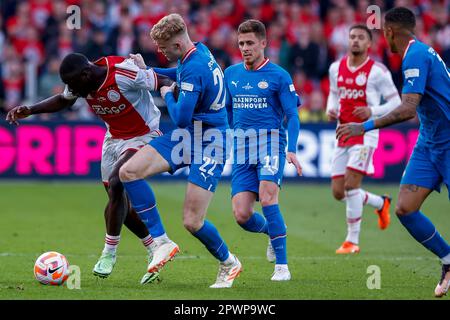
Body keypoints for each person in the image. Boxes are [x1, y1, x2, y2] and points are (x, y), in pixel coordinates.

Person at [6, 52, 174, 284]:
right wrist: (30, 110)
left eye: (74, 85)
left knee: (117, 182)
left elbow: (162, 81)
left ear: (86, 74)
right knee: (118, 203)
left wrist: (181, 103)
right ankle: (154, 247)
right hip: (113, 139)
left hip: (143, 135)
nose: (73, 90)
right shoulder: (81, 81)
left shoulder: (123, 72)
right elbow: (64, 100)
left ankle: (109, 253)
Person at [120, 13, 242, 288]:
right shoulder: (198, 51)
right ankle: (161, 242)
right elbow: (178, 74)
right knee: (128, 172)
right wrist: (148, 72)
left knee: (192, 221)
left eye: (163, 49)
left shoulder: (195, 66)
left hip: (212, 142)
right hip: (190, 136)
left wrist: (166, 95)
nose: (161, 53)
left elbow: (180, 117)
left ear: (176, 45)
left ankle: (229, 263)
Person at [337, 7, 450, 297]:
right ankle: (448, 260)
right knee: (404, 208)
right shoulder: (418, 53)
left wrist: (366, 125)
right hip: (429, 142)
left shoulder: (415, 55)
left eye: (381, 32)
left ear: (388, 32)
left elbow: (408, 107)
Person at [224, 19, 302, 281]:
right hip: (242, 148)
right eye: (241, 43)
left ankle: (282, 267)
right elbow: (228, 111)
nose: (245, 48)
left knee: (268, 199)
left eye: (250, 43)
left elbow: (292, 114)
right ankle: (273, 231)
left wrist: (291, 149)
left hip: (271, 143)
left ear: (263, 44)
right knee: (242, 215)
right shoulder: (231, 74)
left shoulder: (279, 76)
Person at [326, 24, 401, 254]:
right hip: (343, 134)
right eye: (352, 37)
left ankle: (352, 241)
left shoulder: (378, 71)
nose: (355, 41)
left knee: (351, 185)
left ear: (369, 44)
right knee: (338, 192)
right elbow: (334, 93)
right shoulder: (335, 68)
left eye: (360, 37)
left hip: (366, 134)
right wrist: (330, 109)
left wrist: (372, 111)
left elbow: (396, 102)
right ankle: (381, 203)